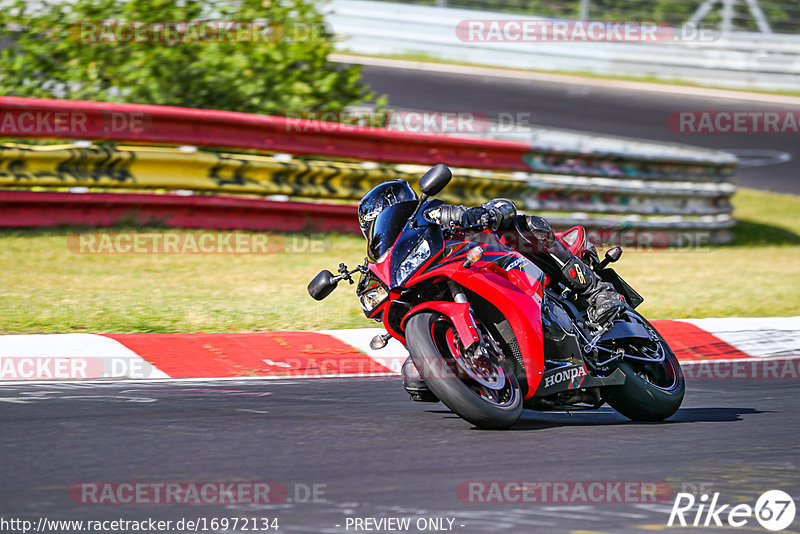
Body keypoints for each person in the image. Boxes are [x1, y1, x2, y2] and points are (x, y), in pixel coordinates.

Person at [357, 176, 625, 401]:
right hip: (440, 286)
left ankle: (597, 291)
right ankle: (477, 365)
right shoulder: (388, 258)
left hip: (503, 265)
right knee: (416, 378)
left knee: (523, 226)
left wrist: (485, 213)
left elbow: (498, 209)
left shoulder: (434, 216)